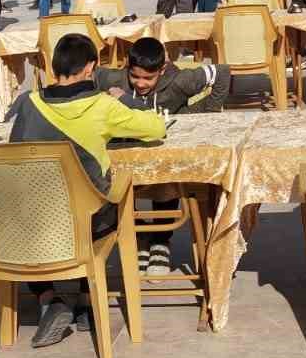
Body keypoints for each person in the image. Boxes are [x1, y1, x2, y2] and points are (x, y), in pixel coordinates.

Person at [7, 32, 165, 346]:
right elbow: (155, 128)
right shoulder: (102, 106)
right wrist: (124, 101)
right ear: (91, 67)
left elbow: (15, 152)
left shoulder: (29, 103)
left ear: (54, 68)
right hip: (88, 221)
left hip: (34, 224)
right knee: (94, 199)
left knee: (43, 206)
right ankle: (82, 299)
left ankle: (50, 299)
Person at [95, 36, 228, 272]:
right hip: (126, 154)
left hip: (165, 154)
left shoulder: (179, 80)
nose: (141, 83)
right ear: (127, 67)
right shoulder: (113, 79)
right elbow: (88, 78)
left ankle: (160, 241)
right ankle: (138, 238)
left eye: (148, 78)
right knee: (114, 190)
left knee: (167, 185)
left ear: (162, 69)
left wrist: (202, 113)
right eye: (135, 76)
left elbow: (222, 73)